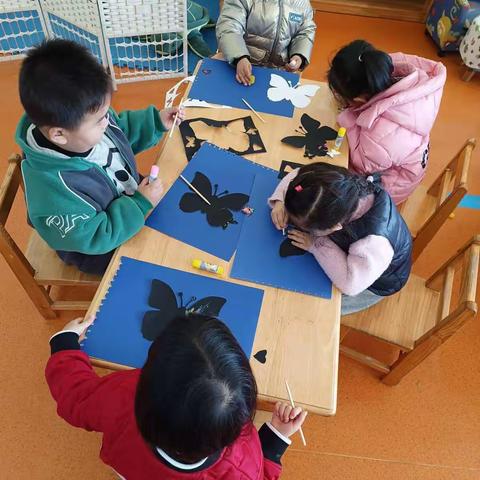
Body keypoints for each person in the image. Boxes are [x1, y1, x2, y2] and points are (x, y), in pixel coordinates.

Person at [46, 314, 307, 479]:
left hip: (130, 467)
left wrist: (64, 344)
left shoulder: (126, 393)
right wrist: (274, 440)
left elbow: (77, 397)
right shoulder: (238, 468)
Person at [15, 39, 185, 275]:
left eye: (106, 113)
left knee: (179, 222)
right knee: (157, 262)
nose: (107, 122)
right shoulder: (52, 193)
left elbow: (120, 131)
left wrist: (155, 121)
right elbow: (95, 237)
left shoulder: (87, 121)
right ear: (59, 134)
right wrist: (139, 204)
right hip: (97, 247)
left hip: (125, 198)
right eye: (100, 120)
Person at [269, 162, 412, 315]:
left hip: (373, 282)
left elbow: (351, 284)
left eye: (307, 228)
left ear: (335, 228)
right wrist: (281, 202)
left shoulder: (374, 245)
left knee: (313, 310)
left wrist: (316, 244)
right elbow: (299, 176)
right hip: (353, 245)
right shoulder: (335, 182)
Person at [328, 40, 446, 204]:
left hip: (390, 188)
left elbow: (361, 166)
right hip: (400, 163)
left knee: (327, 187)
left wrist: (347, 119)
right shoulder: (384, 69)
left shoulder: (383, 133)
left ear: (359, 99)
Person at [216, 0, 316, 85]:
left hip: (279, 70)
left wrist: (299, 55)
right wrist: (239, 57)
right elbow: (229, 27)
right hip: (240, 65)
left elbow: (305, 32)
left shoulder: (303, 4)